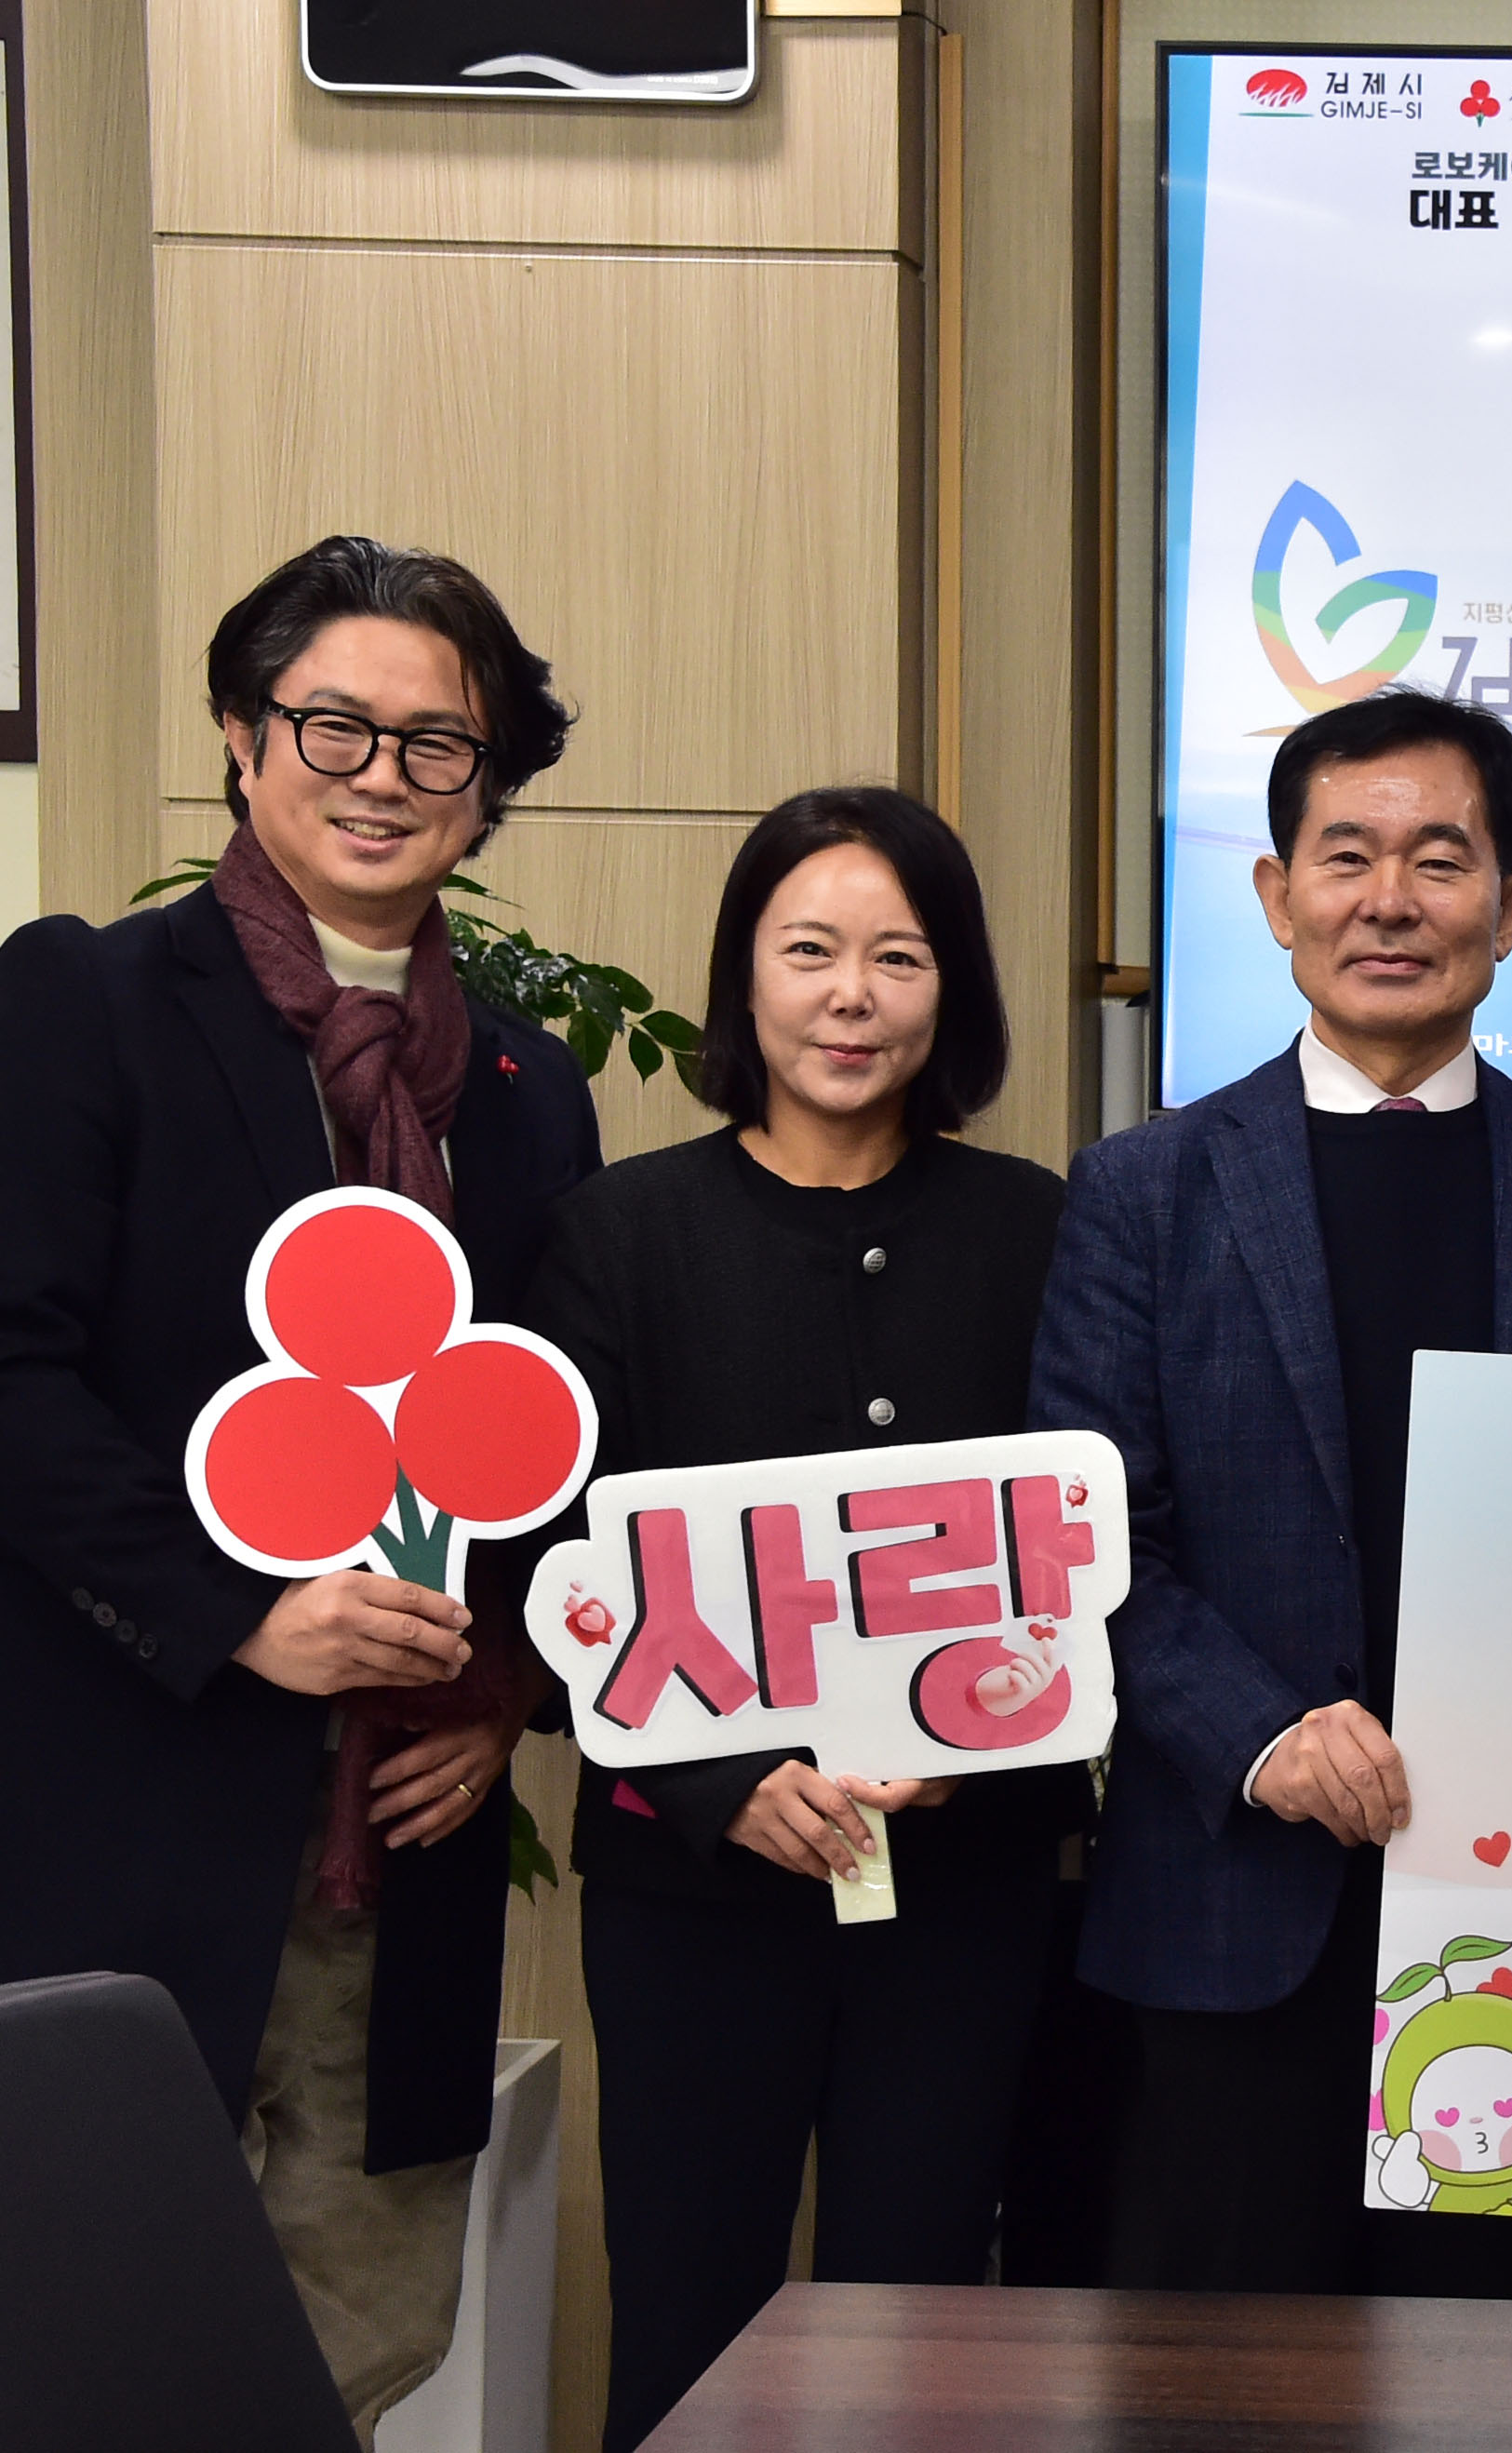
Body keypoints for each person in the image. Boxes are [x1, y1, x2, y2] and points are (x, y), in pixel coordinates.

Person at [0, 537, 594, 2435]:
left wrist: (501, 1685)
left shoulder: (527, 1090)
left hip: (389, 1837)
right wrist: (241, 1608)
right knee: (58, 2337)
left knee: (353, 2335)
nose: (383, 775)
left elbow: (545, 1439)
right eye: (336, 724)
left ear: (487, 785)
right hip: (109, 1793)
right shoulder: (88, 1000)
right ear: (244, 736)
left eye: (439, 742)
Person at [1027, 688, 1512, 2294]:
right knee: (1227, 2378)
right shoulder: (1144, 1191)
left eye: (1440, 860)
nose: (1390, 901)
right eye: (1346, 858)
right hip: (1234, 1902)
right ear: (1278, 896)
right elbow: (1090, 1543)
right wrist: (1262, 1735)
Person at [505, 789, 1077, 2449]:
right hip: (696, 1888)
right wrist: (722, 1778)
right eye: (809, 950)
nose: (851, 996)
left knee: (927, 2330)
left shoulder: (1038, 1228)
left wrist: (987, 1738)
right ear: (742, 978)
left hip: (965, 1884)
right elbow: (550, 1558)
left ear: (952, 990)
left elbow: (1097, 1539)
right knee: (690, 2314)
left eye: (899, 958)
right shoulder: (620, 1233)